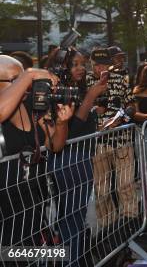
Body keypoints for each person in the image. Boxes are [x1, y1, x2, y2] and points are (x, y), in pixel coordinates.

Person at [0, 55, 73, 248]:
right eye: (15, 80)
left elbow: (55, 145)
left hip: (31, 199)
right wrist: (30, 74)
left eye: (23, 77)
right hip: (4, 207)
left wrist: (62, 123)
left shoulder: (32, 104)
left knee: (27, 254)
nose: (25, 85)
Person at [46, 47, 107, 266]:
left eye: (82, 63)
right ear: (61, 66)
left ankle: (75, 258)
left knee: (74, 216)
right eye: (74, 64)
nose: (81, 68)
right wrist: (92, 95)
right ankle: (70, 260)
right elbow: (70, 131)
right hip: (69, 160)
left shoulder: (74, 88)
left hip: (80, 158)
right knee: (70, 218)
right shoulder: (57, 90)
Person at [86, 48, 139, 230]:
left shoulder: (119, 80)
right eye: (96, 65)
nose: (100, 68)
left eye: (103, 65)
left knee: (126, 185)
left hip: (122, 139)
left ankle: (130, 223)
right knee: (101, 191)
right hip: (96, 143)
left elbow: (132, 106)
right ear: (90, 64)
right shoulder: (84, 82)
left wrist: (120, 119)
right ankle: (109, 229)